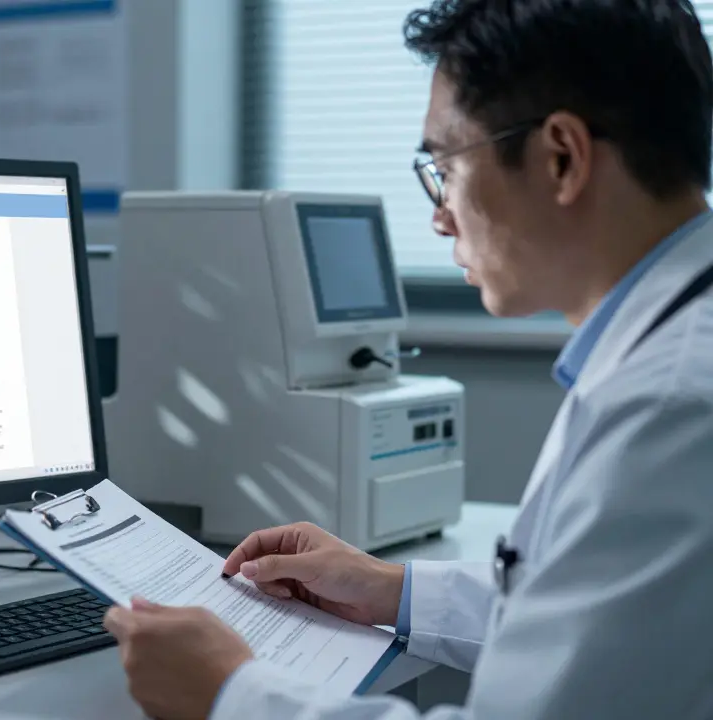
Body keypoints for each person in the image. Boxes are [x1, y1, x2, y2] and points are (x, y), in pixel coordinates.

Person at [103, 0, 713, 717]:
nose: (439, 214)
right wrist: (390, 588)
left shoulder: (671, 409)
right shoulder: (665, 358)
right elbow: (588, 615)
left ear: (561, 159)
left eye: (445, 165)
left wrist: (233, 693)